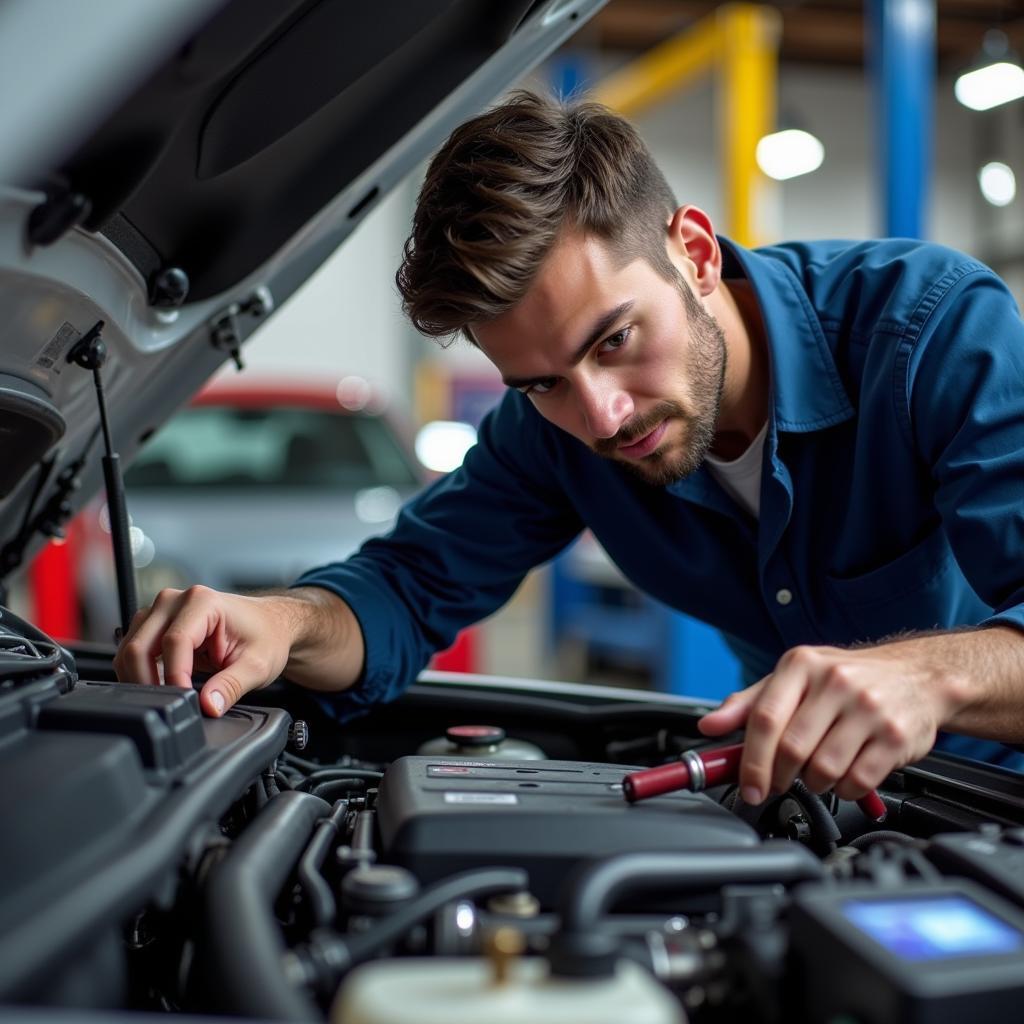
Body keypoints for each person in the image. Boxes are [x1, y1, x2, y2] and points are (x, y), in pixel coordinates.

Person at [115, 90, 1024, 807]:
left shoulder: (931, 332)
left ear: (695, 253)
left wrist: (929, 675)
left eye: (614, 341)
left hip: (985, 809)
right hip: (801, 812)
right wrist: (281, 622)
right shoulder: (549, 437)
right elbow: (406, 587)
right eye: (540, 382)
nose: (600, 416)